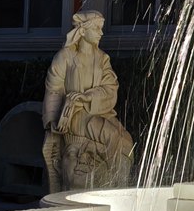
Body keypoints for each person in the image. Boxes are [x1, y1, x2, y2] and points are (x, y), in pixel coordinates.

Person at [42, 11, 132, 191]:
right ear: (83, 31)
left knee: (126, 141)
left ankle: (115, 183)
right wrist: (53, 121)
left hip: (99, 112)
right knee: (112, 136)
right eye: (97, 28)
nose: (101, 33)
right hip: (73, 116)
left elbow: (110, 88)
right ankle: (118, 183)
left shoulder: (102, 58)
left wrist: (88, 97)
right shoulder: (65, 56)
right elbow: (54, 89)